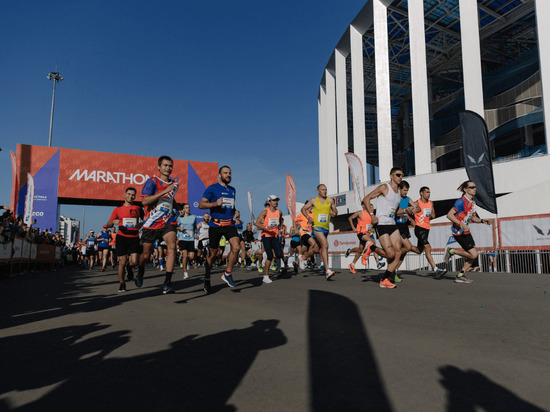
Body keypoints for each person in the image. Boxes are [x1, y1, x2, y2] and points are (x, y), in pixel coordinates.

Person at [363, 167, 416, 289]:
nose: (400, 177)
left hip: (392, 224)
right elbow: (366, 199)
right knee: (390, 254)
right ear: (391, 176)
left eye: (402, 175)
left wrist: (406, 210)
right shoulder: (384, 187)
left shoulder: (398, 193)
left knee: (398, 253)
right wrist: (372, 216)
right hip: (381, 223)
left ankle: (385, 279)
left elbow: (396, 211)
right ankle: (371, 248)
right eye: (398, 175)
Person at [137, 155, 179, 294]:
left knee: (172, 247)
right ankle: (141, 270)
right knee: (146, 255)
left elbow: (170, 201)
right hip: (151, 222)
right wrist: (163, 192)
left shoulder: (174, 184)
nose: (168, 168)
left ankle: (167, 282)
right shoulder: (152, 182)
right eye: (165, 165)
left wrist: (179, 209)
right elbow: (144, 202)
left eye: (170, 166)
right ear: (159, 167)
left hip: (168, 221)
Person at [199, 165, 240, 293]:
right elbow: (201, 204)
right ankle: (207, 278)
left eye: (230, 173)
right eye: (225, 173)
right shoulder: (212, 188)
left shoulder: (233, 190)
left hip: (229, 225)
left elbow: (231, 206)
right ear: (219, 175)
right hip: (215, 225)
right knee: (212, 255)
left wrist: (235, 213)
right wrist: (214, 204)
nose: (228, 175)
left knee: (236, 247)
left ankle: (227, 273)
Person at [444, 180, 493, 283]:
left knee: (473, 255)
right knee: (474, 254)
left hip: (466, 232)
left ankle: (460, 275)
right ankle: (451, 251)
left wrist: (483, 221)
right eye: (472, 187)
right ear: (466, 189)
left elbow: (473, 218)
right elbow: (449, 215)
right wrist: (461, 224)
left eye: (475, 187)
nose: (474, 189)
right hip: (458, 232)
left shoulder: (472, 203)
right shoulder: (461, 201)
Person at [107, 187, 143, 292]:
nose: (131, 196)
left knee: (135, 261)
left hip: (134, 237)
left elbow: (145, 220)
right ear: (124, 195)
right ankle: (122, 283)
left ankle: (129, 267)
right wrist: (114, 222)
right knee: (122, 261)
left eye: (133, 195)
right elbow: (108, 223)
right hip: (121, 237)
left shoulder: (138, 208)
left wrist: (140, 224)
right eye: (129, 194)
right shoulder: (117, 209)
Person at [300, 184, 338, 280]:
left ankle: (303, 257)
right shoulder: (313, 200)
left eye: (326, 189)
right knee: (325, 245)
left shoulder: (330, 200)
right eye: (322, 190)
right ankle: (327, 270)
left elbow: (335, 211)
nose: (325, 191)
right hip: (317, 227)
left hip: (326, 228)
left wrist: (334, 213)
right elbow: (303, 209)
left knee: (316, 249)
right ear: (318, 191)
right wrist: (308, 217)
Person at [345, 200, 384, 274]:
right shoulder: (359, 213)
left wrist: (372, 227)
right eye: (366, 204)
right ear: (363, 205)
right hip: (361, 233)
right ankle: (374, 261)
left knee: (360, 250)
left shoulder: (370, 214)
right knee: (372, 243)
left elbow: (369, 224)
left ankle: (352, 264)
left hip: (368, 233)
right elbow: (350, 218)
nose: (368, 205)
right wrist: (353, 227)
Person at [255, 195, 284, 283]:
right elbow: (257, 223)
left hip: (275, 235)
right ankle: (266, 276)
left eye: (277, 200)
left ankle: (281, 269)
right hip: (266, 236)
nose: (276, 202)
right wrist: (266, 227)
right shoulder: (265, 211)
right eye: (274, 200)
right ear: (269, 202)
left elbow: (280, 222)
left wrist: (280, 229)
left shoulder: (279, 212)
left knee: (279, 254)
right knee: (270, 256)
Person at [177, 203, 196, 279]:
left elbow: (194, 226)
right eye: (186, 208)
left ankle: (188, 262)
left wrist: (195, 233)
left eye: (189, 207)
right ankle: (185, 272)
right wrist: (179, 228)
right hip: (182, 238)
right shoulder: (179, 218)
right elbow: (175, 226)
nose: (188, 209)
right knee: (184, 255)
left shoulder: (193, 217)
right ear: (183, 209)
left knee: (191, 256)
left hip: (191, 239)